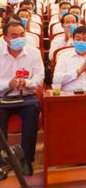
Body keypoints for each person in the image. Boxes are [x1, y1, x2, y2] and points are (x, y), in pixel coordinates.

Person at [0, 21, 44, 176]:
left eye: (22, 34)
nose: (19, 38)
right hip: (2, 98)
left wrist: (26, 83)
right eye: (14, 36)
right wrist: (8, 83)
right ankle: (2, 163)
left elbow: (39, 79)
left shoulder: (34, 53)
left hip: (26, 97)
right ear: (5, 38)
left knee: (32, 114)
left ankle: (26, 161)